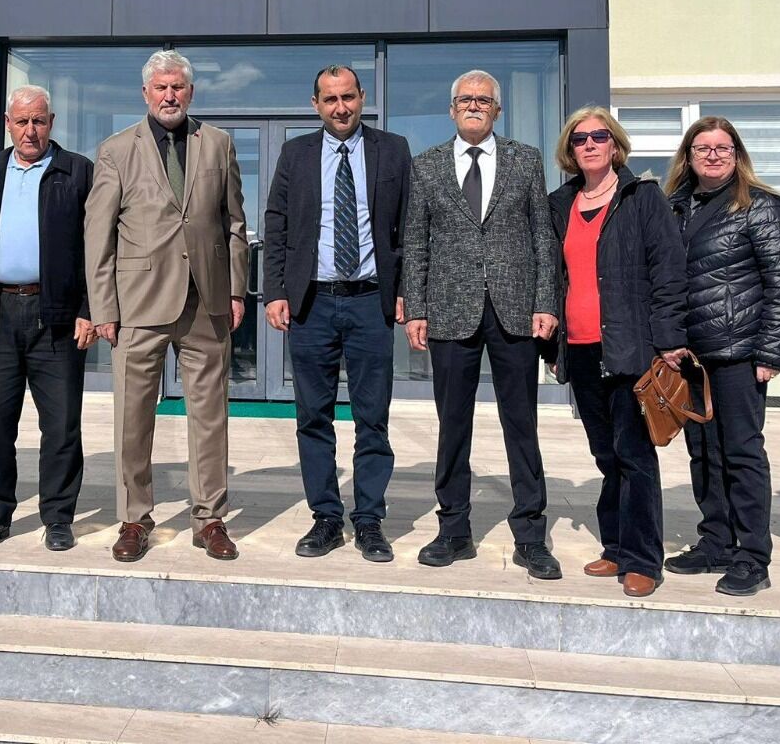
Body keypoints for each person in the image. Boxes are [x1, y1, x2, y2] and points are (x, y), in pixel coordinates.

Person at [84, 50, 248, 562]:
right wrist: (104, 307)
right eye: (161, 87)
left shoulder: (218, 143)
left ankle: (210, 518)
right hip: (138, 305)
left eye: (178, 87)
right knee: (133, 418)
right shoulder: (116, 150)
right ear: (146, 93)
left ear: (191, 92)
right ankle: (135, 518)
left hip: (206, 301)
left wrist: (236, 289)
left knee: (210, 415)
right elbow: (98, 234)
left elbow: (235, 224)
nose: (170, 95)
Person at [402, 70, 562, 577]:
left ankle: (530, 536)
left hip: (516, 311)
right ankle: (454, 529)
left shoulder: (525, 160)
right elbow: (415, 241)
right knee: (453, 425)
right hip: (450, 312)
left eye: (484, 100)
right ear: (452, 109)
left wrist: (546, 301)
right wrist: (417, 308)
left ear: (497, 110)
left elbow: (543, 236)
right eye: (465, 99)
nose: (474, 106)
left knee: (522, 425)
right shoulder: (426, 165)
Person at [264, 64, 411, 563]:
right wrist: (275, 291)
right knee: (313, 417)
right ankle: (326, 517)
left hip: (371, 301)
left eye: (348, 97)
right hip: (312, 303)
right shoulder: (296, 153)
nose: (340, 107)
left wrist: (406, 291)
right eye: (330, 99)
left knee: (373, 417)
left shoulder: (393, 150)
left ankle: (369, 519)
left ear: (362, 97)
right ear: (315, 104)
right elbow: (277, 223)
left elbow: (410, 226)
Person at [0, 85, 96, 553]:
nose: (30, 131)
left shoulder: (77, 172)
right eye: (21, 121)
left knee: (62, 425)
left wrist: (89, 310)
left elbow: (97, 248)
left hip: (57, 316)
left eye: (38, 121)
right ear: (7, 124)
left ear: (51, 123)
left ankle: (58, 517)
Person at [548, 107, 686, 598]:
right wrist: (552, 345)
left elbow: (669, 271)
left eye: (599, 136)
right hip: (580, 349)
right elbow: (554, 278)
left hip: (630, 348)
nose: (589, 144)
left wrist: (668, 339)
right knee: (606, 455)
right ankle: (616, 547)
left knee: (635, 454)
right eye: (579, 138)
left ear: (615, 144)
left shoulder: (642, 198)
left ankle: (643, 558)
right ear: (570, 149)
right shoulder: (561, 203)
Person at [662, 116, 780, 596]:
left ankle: (753, 556)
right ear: (688, 156)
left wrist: (772, 351)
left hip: (739, 350)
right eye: (703, 148)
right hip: (689, 355)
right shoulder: (673, 206)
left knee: (741, 452)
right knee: (703, 452)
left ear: (737, 154)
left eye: (723, 147)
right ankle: (716, 541)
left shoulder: (760, 206)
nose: (713, 155)